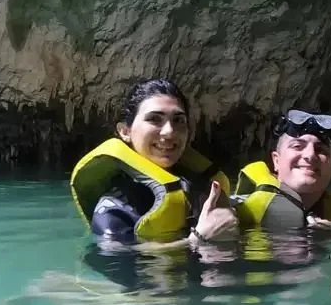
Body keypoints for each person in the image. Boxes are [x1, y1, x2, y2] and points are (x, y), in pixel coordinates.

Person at [70, 78, 238, 246]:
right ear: (125, 131)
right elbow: (118, 263)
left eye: (178, 120)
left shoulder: (203, 188)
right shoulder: (115, 209)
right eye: (154, 119)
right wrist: (199, 238)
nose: (169, 132)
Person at [233, 110, 331, 231]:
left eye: (320, 150)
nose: (310, 155)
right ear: (276, 161)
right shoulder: (240, 211)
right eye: (297, 146)